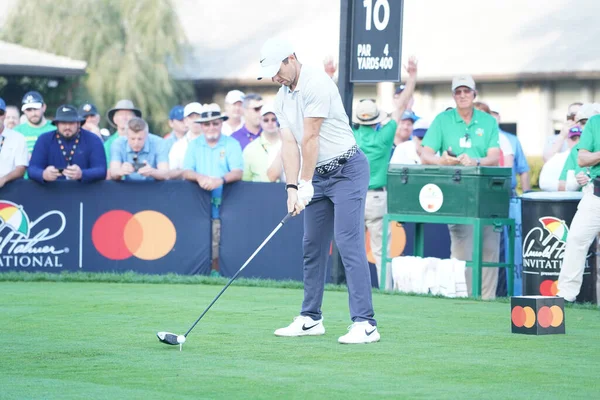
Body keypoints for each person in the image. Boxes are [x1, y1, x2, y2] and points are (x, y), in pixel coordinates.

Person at [257, 37, 379, 344]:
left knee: (348, 242)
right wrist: (291, 187)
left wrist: (306, 183)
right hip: (317, 176)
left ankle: (366, 323)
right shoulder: (281, 98)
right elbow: (289, 143)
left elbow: (311, 137)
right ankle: (311, 317)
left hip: (347, 170)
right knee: (311, 245)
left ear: (291, 58)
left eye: (277, 70)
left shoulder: (316, 83)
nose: (275, 78)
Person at [420, 75, 501, 300]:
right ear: (453, 95)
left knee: (489, 248)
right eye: (458, 92)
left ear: (474, 94)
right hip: (456, 189)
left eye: (467, 91)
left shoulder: (488, 121)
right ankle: (463, 298)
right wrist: (441, 161)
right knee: (462, 247)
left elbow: (494, 156)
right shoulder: (443, 119)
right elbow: (425, 153)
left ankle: (487, 300)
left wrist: (476, 161)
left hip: (485, 189)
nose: (463, 95)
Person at [352, 56, 418, 290]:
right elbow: (401, 107)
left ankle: (357, 289)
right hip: (378, 197)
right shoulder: (385, 135)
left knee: (354, 249)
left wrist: (329, 75)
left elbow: (333, 110)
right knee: (381, 251)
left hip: (354, 196)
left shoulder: (352, 135)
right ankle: (385, 290)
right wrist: (412, 76)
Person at [183, 104, 243, 274]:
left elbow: (238, 171)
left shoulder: (231, 143)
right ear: (201, 126)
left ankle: (216, 276)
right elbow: (186, 171)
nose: (211, 127)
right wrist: (199, 177)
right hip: (197, 205)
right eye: (207, 124)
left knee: (220, 244)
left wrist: (220, 180)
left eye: (215, 123)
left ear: (221, 124)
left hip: (226, 204)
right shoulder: (194, 145)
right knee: (198, 242)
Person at [557, 113, 600, 302]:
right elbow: (582, 158)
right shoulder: (595, 122)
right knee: (575, 239)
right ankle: (566, 295)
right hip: (596, 193)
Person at [28, 105, 107, 183]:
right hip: (52, 192)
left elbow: (101, 170)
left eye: (71, 123)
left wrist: (82, 174)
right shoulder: (44, 139)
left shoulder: (93, 140)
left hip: (84, 192)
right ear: (56, 124)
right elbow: (32, 169)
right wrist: (43, 174)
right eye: (63, 123)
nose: (67, 127)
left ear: (78, 123)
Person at [242, 104, 284, 182]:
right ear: (260, 121)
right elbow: (245, 180)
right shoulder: (250, 148)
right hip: (259, 192)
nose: (270, 123)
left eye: (274, 119)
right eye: (266, 120)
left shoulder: (290, 143)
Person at [168, 102, 206, 179]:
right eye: (191, 117)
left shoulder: (214, 141)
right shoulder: (178, 146)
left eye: (198, 116)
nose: (195, 120)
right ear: (185, 121)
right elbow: (171, 173)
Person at [103, 99, 142, 165]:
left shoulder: (143, 141)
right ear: (115, 119)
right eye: (121, 115)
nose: (124, 118)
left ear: (135, 119)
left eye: (128, 114)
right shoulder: (108, 145)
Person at [0, 98, 28, 187]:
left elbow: (21, 168)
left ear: (4, 115)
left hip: (10, 189)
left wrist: (4, 179)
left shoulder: (18, 138)